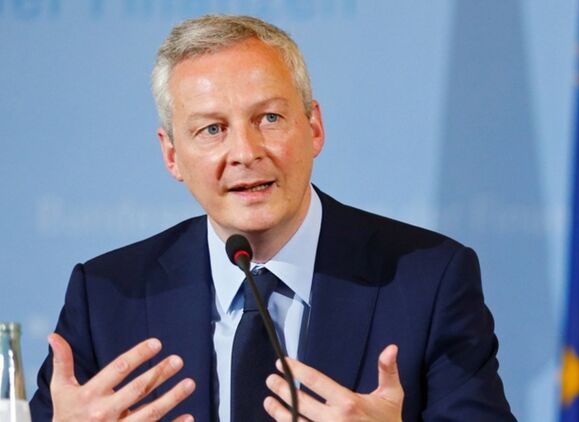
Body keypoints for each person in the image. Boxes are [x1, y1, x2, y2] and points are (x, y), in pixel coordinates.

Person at [29, 15, 516, 421]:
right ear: (172, 155)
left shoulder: (428, 281)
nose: (245, 152)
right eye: (212, 129)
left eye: (269, 118)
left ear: (314, 127)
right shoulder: (106, 297)